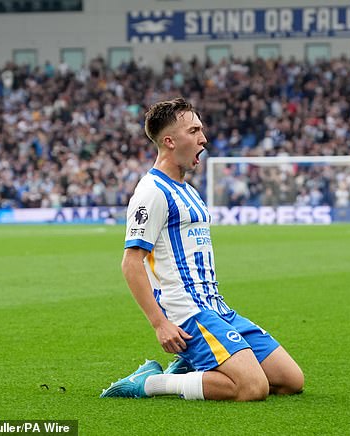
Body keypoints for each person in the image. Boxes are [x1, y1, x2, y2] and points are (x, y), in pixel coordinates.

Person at [100, 98, 304, 401]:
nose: (203, 139)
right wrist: (160, 324)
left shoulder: (190, 191)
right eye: (194, 131)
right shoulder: (151, 192)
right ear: (170, 141)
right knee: (252, 388)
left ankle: (190, 365)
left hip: (216, 307)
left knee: (291, 380)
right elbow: (131, 262)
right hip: (187, 312)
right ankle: (151, 383)